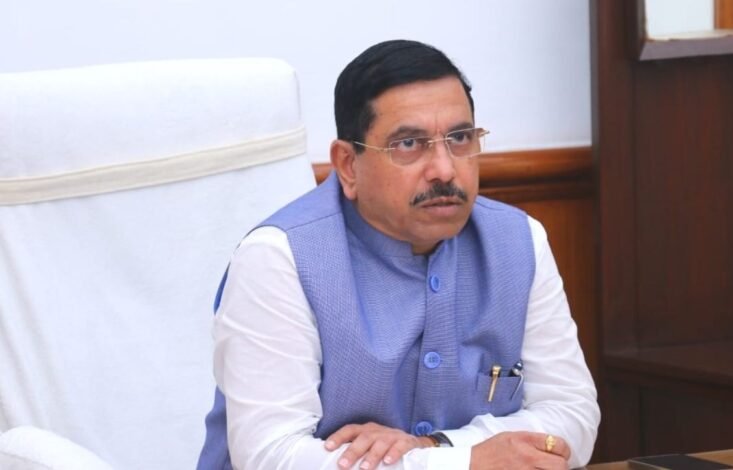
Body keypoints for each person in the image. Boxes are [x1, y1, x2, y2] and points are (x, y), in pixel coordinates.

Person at [197, 39, 599, 470]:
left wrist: (435, 447)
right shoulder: (279, 258)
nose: (445, 170)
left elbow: (572, 415)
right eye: (409, 144)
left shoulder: (518, 241)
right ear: (348, 164)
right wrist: (463, 464)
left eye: (460, 138)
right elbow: (271, 456)